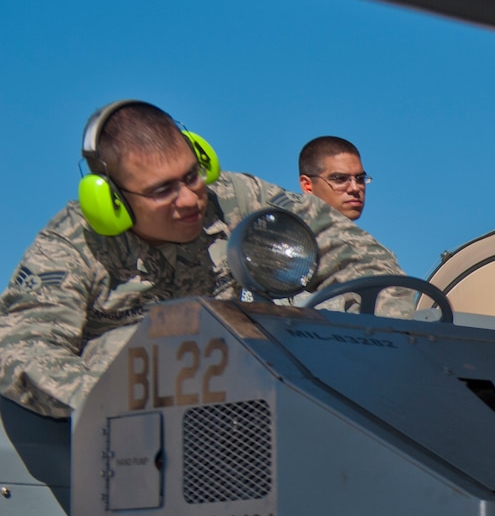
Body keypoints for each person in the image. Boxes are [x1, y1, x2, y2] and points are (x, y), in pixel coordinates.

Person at [0, 101, 408, 418]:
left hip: (257, 396)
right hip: (135, 431)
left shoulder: (236, 197)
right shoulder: (73, 244)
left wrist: (380, 349)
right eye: (162, 191)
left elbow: (359, 256)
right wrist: (119, 408)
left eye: (192, 175)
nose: (190, 199)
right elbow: (21, 349)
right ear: (112, 201)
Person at [298, 135, 370, 221]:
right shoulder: (286, 232)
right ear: (307, 186)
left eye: (360, 179)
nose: (355, 188)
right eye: (340, 179)